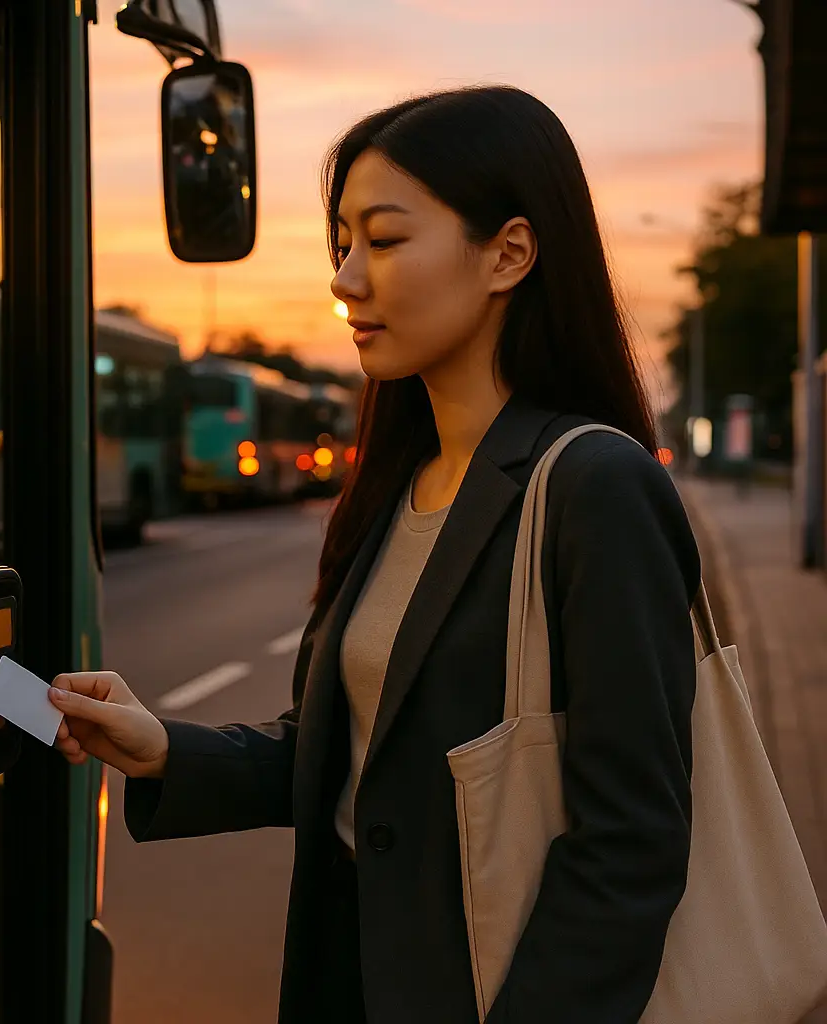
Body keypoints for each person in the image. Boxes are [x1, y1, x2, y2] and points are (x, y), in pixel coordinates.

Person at [48, 85, 700, 1024]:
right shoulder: (399, 488)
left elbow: (632, 846)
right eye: (341, 245)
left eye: (384, 241)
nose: (346, 279)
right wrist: (162, 750)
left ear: (509, 253)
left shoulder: (595, 487)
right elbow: (354, 760)